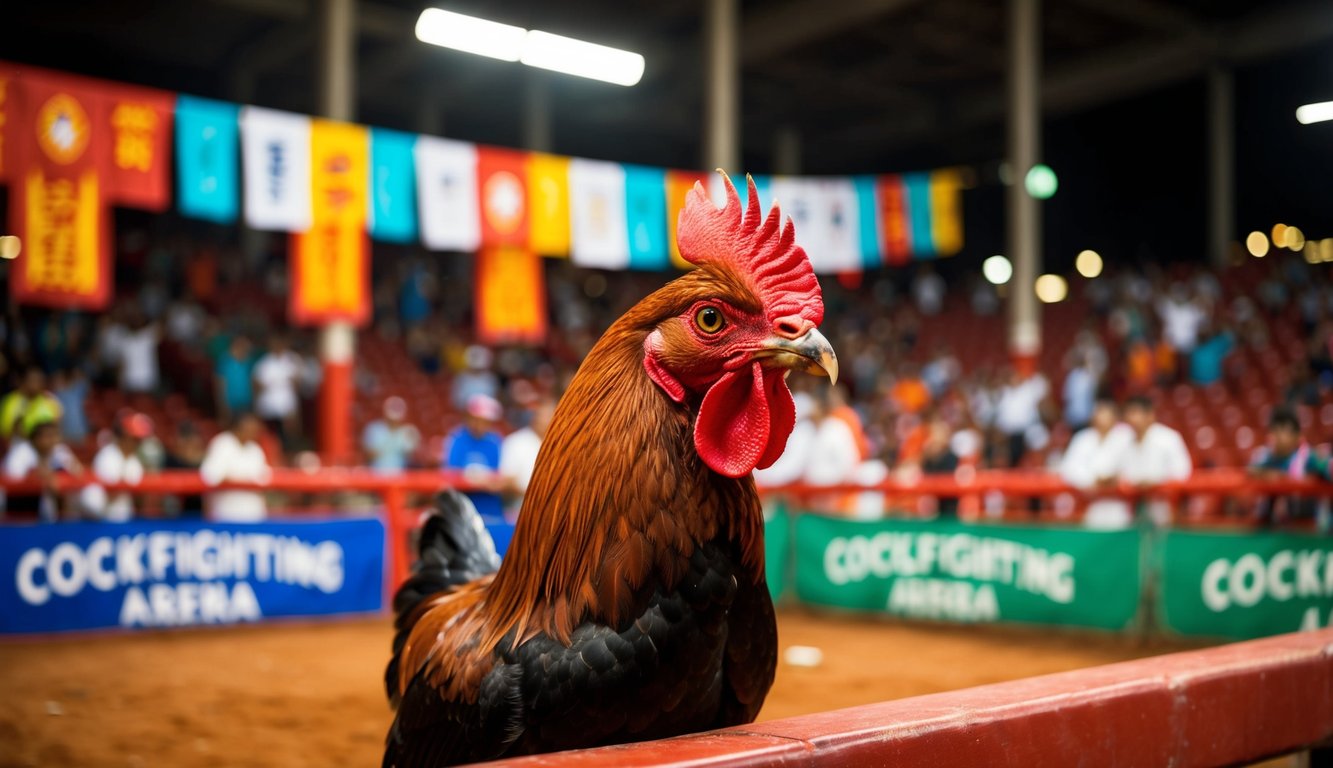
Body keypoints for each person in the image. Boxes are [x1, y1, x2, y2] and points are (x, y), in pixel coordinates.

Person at [1249, 407, 1332, 528]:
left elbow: (1328, 467)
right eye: (1275, 431)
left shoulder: (1308, 456)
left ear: (1297, 436)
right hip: (1279, 528)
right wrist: (1268, 474)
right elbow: (1252, 469)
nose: (1279, 437)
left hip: (1311, 527)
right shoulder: (1267, 455)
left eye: (1284, 431)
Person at [1115, 395, 1192, 526]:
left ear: (1150, 415)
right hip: (1132, 505)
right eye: (1128, 413)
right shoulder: (1123, 440)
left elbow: (1182, 472)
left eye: (1135, 412)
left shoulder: (1169, 438)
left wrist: (1155, 481)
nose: (1131, 418)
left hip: (1162, 503)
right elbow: (1119, 471)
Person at [1060, 398, 1134, 529]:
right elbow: (1069, 469)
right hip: (1089, 500)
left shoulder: (1126, 436)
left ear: (1115, 417)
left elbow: (1131, 467)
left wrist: (1113, 478)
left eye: (1105, 414)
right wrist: (1093, 480)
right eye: (1098, 413)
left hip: (1120, 502)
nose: (1101, 418)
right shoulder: (1082, 438)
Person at [3, 420, 81, 522]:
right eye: (48, 436)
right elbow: (12, 481)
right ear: (35, 439)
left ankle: (64, 529)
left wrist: (56, 477)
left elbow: (78, 472)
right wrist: (40, 477)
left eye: (55, 436)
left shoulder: (59, 450)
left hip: (47, 502)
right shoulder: (20, 452)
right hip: (19, 505)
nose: (53, 440)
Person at [443, 394, 505, 521]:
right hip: (463, 510)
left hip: (490, 510)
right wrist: (483, 481)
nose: (480, 424)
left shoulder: (496, 442)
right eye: (476, 419)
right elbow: (451, 473)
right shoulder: (457, 439)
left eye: (485, 420)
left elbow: (501, 477)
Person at [200, 413, 271, 522]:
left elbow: (265, 478)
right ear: (239, 427)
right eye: (250, 426)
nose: (254, 431)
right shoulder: (222, 443)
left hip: (254, 515)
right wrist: (239, 480)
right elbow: (209, 477)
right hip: (226, 516)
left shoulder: (255, 449)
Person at [80, 412, 150, 522]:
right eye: (135, 439)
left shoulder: (135, 461)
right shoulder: (107, 455)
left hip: (123, 520)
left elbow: (140, 499)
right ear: (124, 435)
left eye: (139, 440)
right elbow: (111, 493)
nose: (138, 443)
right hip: (98, 521)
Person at [499, 399, 556, 516]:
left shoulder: (559, 444)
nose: (545, 420)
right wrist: (536, 496)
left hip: (552, 509)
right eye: (542, 416)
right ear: (534, 417)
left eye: (550, 416)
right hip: (520, 507)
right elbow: (507, 483)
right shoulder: (516, 441)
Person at [252, 335, 304, 450]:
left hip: (286, 404)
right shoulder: (265, 363)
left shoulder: (292, 360)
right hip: (269, 405)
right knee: (272, 434)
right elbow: (256, 384)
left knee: (289, 434)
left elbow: (299, 382)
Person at [0, 367, 61, 442]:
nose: (36, 384)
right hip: (19, 444)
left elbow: (57, 428)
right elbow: (5, 431)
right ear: (23, 381)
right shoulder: (11, 401)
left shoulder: (50, 401)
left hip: (47, 444)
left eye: (39, 381)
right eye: (32, 380)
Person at [363, 396, 421, 475]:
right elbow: (369, 455)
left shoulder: (407, 432)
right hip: (376, 477)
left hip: (399, 477)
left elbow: (411, 456)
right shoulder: (374, 429)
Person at [117, 313, 161, 394]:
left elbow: (160, 327)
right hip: (134, 381)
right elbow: (122, 364)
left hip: (145, 380)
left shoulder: (147, 336)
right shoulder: (125, 340)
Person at [215, 336, 255, 423]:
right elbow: (220, 384)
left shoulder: (248, 362)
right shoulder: (225, 361)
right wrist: (223, 405)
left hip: (247, 402)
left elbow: (252, 382)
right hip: (231, 404)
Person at [451, 345, 500, 411]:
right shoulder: (461, 378)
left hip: (486, 415)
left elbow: (494, 399)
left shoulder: (491, 378)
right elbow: (457, 401)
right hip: (466, 415)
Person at [1061, 354, 1098, 432]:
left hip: (1085, 415)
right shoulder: (1073, 376)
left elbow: (1093, 396)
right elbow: (1067, 396)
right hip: (1074, 415)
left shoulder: (1089, 376)